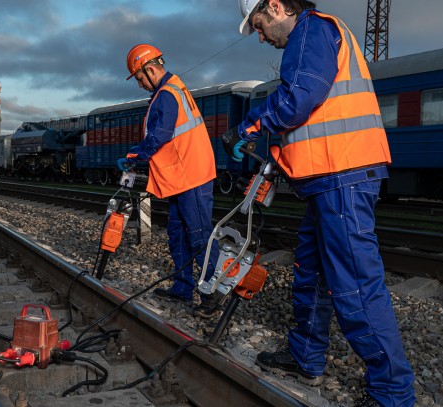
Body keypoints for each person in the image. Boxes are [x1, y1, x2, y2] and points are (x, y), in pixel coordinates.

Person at [226, 1, 415, 406]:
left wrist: (249, 125)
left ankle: (392, 394)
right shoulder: (317, 35)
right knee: (310, 273)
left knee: (357, 287)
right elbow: (312, 110)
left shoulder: (310, 31)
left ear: (275, 6)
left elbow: (300, 97)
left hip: (342, 175)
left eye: (259, 25)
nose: (261, 36)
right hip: (326, 177)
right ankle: (306, 356)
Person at [117, 44, 222, 318]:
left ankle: (213, 295)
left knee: (199, 236)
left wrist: (133, 155)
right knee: (178, 233)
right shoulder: (173, 89)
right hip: (181, 176)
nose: (140, 85)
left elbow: (159, 137)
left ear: (150, 70)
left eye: (140, 78)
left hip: (192, 175)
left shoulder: (166, 95)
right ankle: (184, 286)